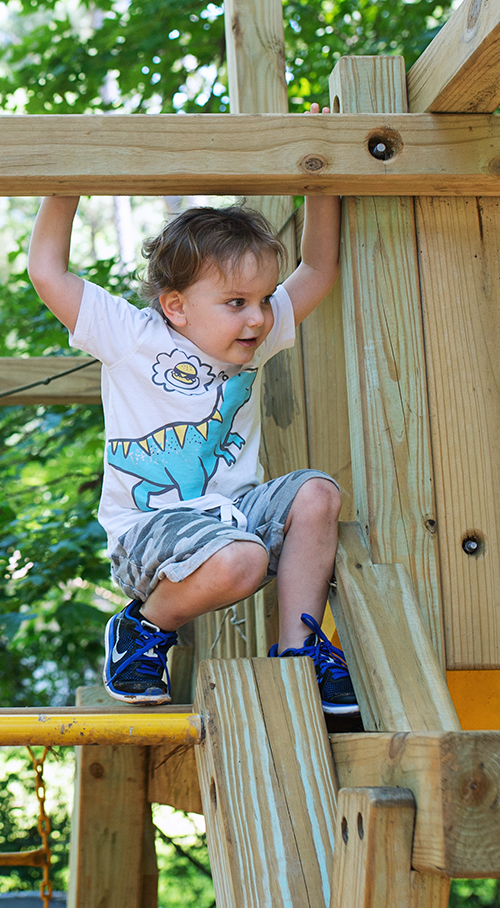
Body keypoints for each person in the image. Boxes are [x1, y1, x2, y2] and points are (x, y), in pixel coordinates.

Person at [27, 193, 355, 712]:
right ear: (176, 306)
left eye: (265, 299)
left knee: (317, 493)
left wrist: (322, 182)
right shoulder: (132, 336)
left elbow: (316, 269)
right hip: (148, 530)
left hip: (234, 518)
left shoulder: (251, 339)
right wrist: (65, 187)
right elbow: (48, 274)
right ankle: (142, 625)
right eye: (236, 302)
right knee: (243, 559)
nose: (258, 317)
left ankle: (301, 653)